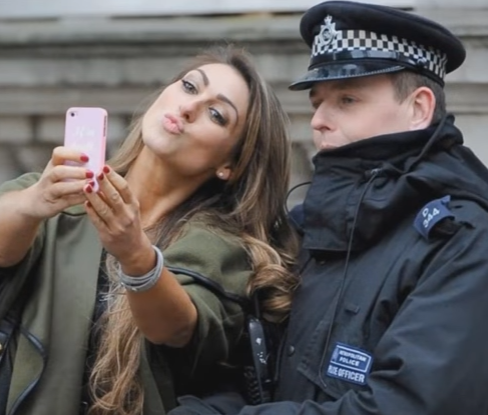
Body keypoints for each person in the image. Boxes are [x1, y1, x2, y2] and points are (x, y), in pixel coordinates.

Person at [168, 2, 488, 415]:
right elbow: (246, 367)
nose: (319, 119)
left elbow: (411, 404)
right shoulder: (310, 224)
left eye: (348, 99)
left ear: (419, 109)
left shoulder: (463, 240)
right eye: (318, 101)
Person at [0, 45, 299, 415]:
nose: (188, 108)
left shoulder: (224, 250)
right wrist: (32, 205)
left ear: (230, 165)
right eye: (189, 87)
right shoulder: (53, 195)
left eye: (216, 114)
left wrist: (137, 257)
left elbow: (179, 330)